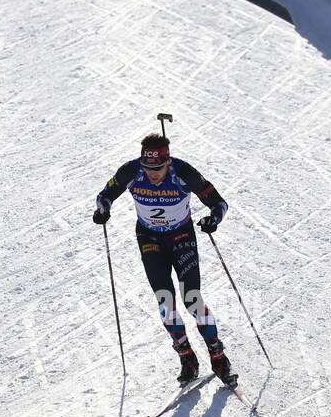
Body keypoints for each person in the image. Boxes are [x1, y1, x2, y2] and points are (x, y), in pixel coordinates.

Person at [92, 133, 236, 387]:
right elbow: (104, 195)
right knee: (165, 302)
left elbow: (219, 203)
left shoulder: (184, 172)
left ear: (167, 162)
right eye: (148, 168)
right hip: (149, 239)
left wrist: (213, 220)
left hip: (182, 237)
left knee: (192, 300)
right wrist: (103, 209)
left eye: (157, 168)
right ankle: (187, 357)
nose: (152, 174)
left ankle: (218, 355)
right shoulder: (131, 171)